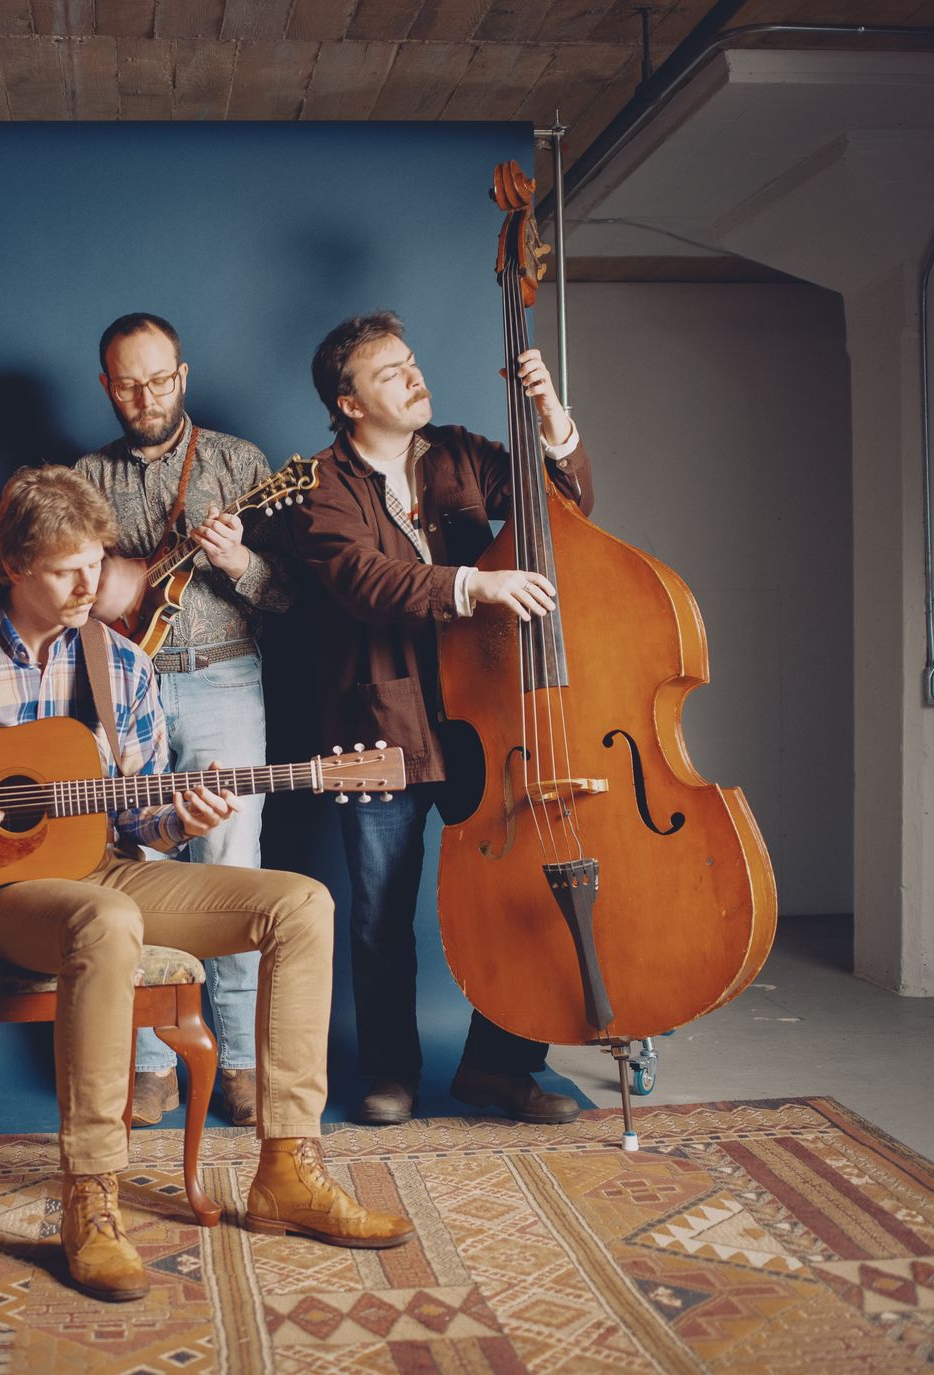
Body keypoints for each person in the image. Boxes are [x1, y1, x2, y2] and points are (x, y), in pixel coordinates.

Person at [0, 465, 412, 1302]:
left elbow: (139, 819)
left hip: (95, 871)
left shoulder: (120, 665)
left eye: (95, 564)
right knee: (105, 919)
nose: (86, 585)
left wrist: (185, 816)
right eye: (65, 569)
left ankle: (288, 1168)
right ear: (10, 565)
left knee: (302, 903)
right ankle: (92, 1197)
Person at [288, 309, 590, 1127]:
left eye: (413, 362)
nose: (414, 377)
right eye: (391, 372)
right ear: (349, 402)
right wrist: (476, 584)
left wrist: (551, 419)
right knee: (383, 913)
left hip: (485, 720)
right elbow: (363, 582)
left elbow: (565, 507)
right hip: (378, 726)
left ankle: (499, 1065)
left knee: (515, 890)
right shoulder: (316, 487)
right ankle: (390, 1073)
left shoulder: (458, 451)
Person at [76, 313, 295, 1130]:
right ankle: (150, 1062)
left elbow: (287, 595)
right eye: (128, 382)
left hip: (223, 675)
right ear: (106, 385)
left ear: (184, 374)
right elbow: (65, 594)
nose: (146, 395)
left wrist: (237, 560)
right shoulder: (82, 476)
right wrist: (107, 586)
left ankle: (237, 1058)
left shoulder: (242, 465)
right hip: (117, 682)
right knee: (131, 864)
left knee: (231, 863)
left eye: (160, 378)